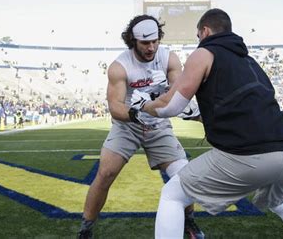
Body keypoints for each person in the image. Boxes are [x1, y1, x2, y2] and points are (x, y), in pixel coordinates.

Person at [131, 9, 283, 238]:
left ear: (205, 31)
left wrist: (141, 105)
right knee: (280, 203)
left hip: (249, 153)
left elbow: (169, 107)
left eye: (197, 36)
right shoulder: (250, 61)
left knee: (172, 194)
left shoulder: (204, 53)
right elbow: (243, 108)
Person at [77, 15, 203, 239]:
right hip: (128, 125)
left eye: (155, 41)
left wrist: (176, 101)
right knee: (105, 173)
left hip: (158, 125)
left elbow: (179, 93)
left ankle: (189, 222)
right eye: (145, 43)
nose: (151, 47)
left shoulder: (169, 58)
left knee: (183, 174)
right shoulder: (120, 65)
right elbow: (115, 107)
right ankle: (86, 228)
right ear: (132, 41)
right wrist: (137, 113)